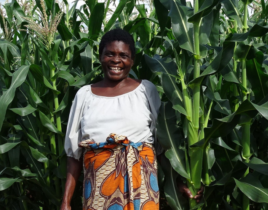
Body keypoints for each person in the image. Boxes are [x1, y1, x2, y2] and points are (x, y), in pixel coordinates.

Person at [61, 28, 202, 210]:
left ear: (132, 61)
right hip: (98, 190)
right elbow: (74, 155)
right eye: (109, 54)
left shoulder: (146, 90)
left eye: (124, 55)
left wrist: (178, 183)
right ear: (100, 56)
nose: (116, 60)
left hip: (142, 188)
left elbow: (162, 146)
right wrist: (66, 202)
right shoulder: (84, 95)